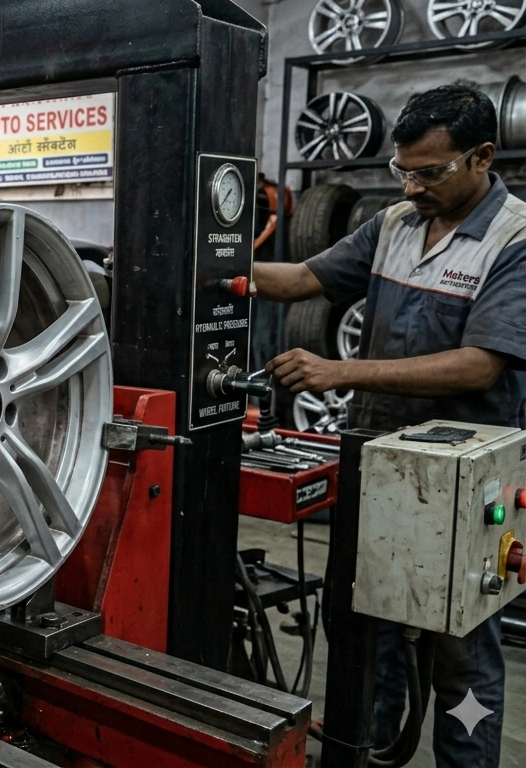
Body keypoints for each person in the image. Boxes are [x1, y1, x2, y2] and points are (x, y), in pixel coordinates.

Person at [255, 84, 524, 767]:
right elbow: (298, 280)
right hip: (377, 462)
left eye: (429, 173)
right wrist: (208, 259)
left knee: (461, 652)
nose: (412, 187)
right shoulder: (396, 223)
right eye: (403, 172)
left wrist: (339, 371)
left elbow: (479, 366)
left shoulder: (513, 238)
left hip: (460, 481)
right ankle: (367, 749)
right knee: (365, 625)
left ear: (482, 156)